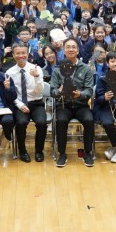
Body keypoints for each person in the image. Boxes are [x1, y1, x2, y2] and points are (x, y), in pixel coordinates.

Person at [49, 38, 96, 167]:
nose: (71, 49)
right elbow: (52, 91)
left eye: (73, 47)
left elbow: (89, 90)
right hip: (64, 105)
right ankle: (62, 154)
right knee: (61, 121)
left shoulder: (86, 68)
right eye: (68, 47)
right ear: (64, 50)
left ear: (78, 50)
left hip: (81, 105)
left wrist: (81, 94)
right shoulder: (57, 70)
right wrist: (59, 91)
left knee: (89, 120)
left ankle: (87, 153)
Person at [5, 43, 47, 163]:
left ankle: (39, 151)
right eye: (18, 53)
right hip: (19, 104)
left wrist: (36, 77)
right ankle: (22, 151)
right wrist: (20, 105)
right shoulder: (9, 72)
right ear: (13, 55)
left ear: (28, 54)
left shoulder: (36, 69)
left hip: (36, 103)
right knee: (21, 123)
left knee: (42, 123)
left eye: (23, 53)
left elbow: (40, 91)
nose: (21, 56)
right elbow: (11, 95)